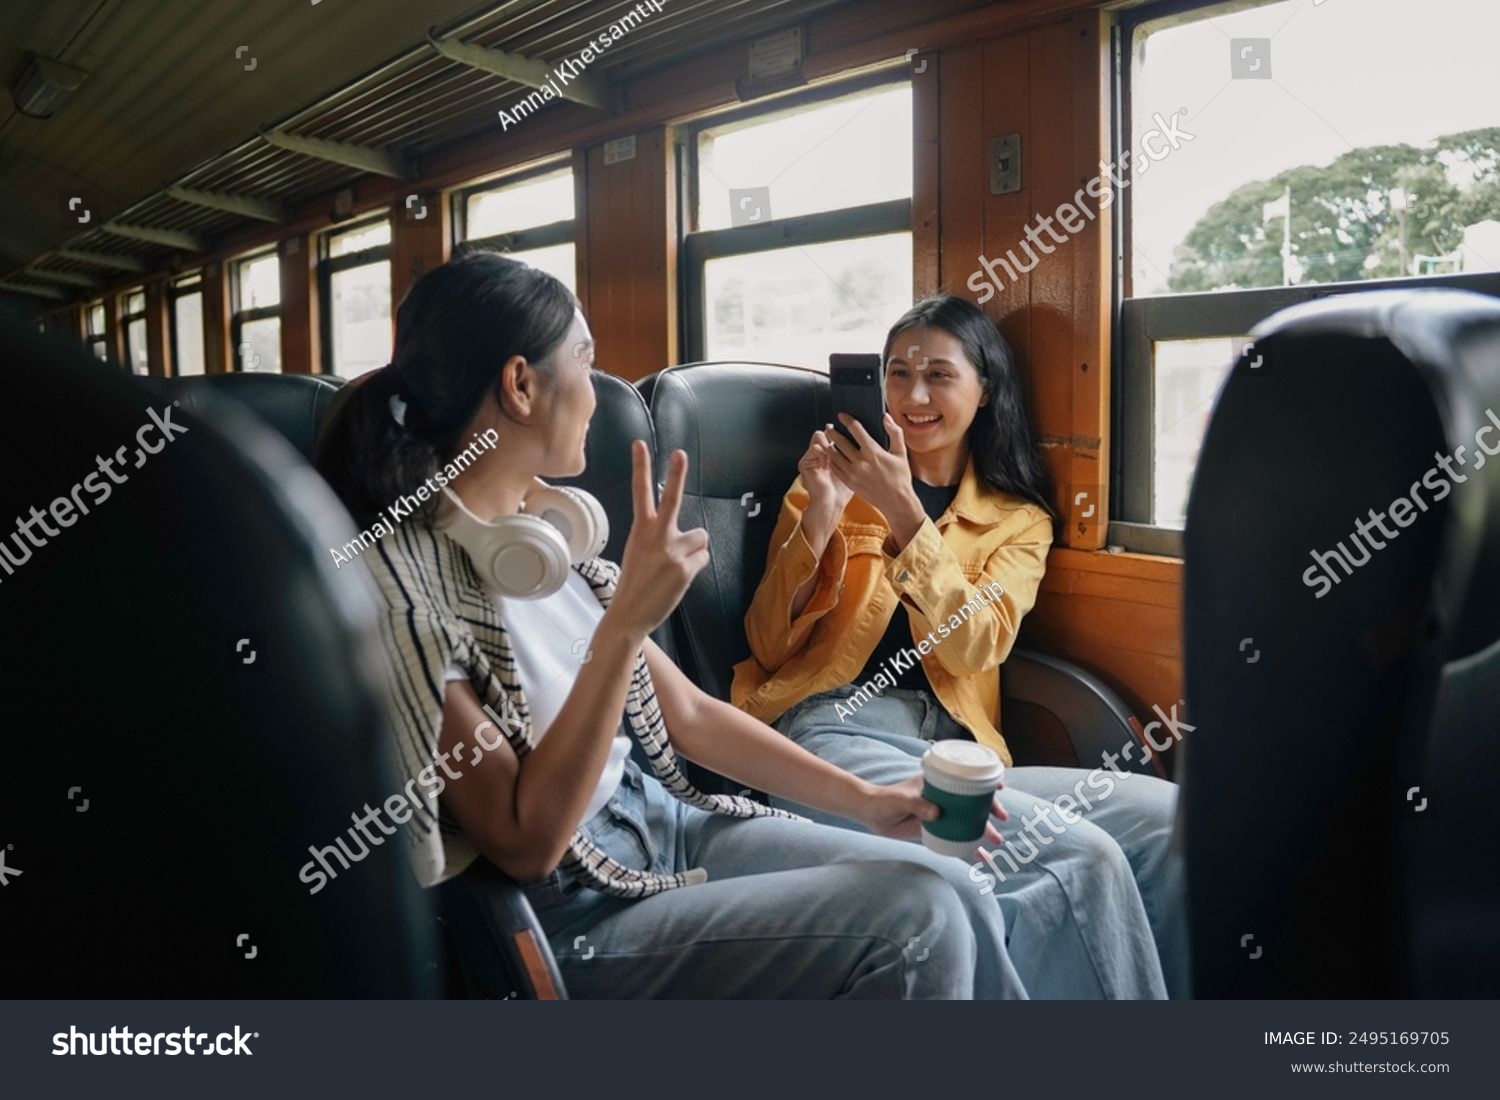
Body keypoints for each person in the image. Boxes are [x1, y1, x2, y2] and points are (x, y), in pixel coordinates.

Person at [315, 251, 1031, 999]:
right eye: (584, 360)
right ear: (521, 386)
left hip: (666, 820)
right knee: (918, 918)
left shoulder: (545, 548)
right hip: (572, 904)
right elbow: (525, 842)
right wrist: (623, 628)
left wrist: (868, 802)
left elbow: (688, 715)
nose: (596, 394)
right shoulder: (400, 597)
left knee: (949, 880)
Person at [732, 294, 1187, 998]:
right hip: (831, 731)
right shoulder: (822, 487)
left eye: (939, 374)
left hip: (962, 750)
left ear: (985, 390)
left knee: (1168, 823)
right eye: (897, 372)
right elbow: (765, 645)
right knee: (1076, 859)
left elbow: (978, 645)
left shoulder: (1018, 520)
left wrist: (906, 515)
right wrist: (822, 510)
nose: (914, 395)